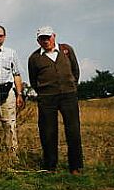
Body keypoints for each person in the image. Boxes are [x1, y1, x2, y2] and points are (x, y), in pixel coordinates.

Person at [28, 26, 83, 175]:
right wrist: (44, 92)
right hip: (46, 98)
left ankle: (75, 167)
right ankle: (50, 166)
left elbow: (75, 71)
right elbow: (33, 80)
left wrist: (71, 86)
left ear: (54, 36)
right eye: (42, 38)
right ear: (38, 40)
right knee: (48, 132)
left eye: (48, 37)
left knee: (73, 131)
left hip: (69, 95)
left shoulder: (67, 50)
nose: (46, 41)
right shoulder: (34, 58)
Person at [0, 25, 25, 160]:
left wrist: (19, 94)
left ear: (4, 37)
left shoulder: (11, 53)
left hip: (8, 91)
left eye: (0, 35)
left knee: (9, 123)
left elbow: (16, 74)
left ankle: (12, 156)